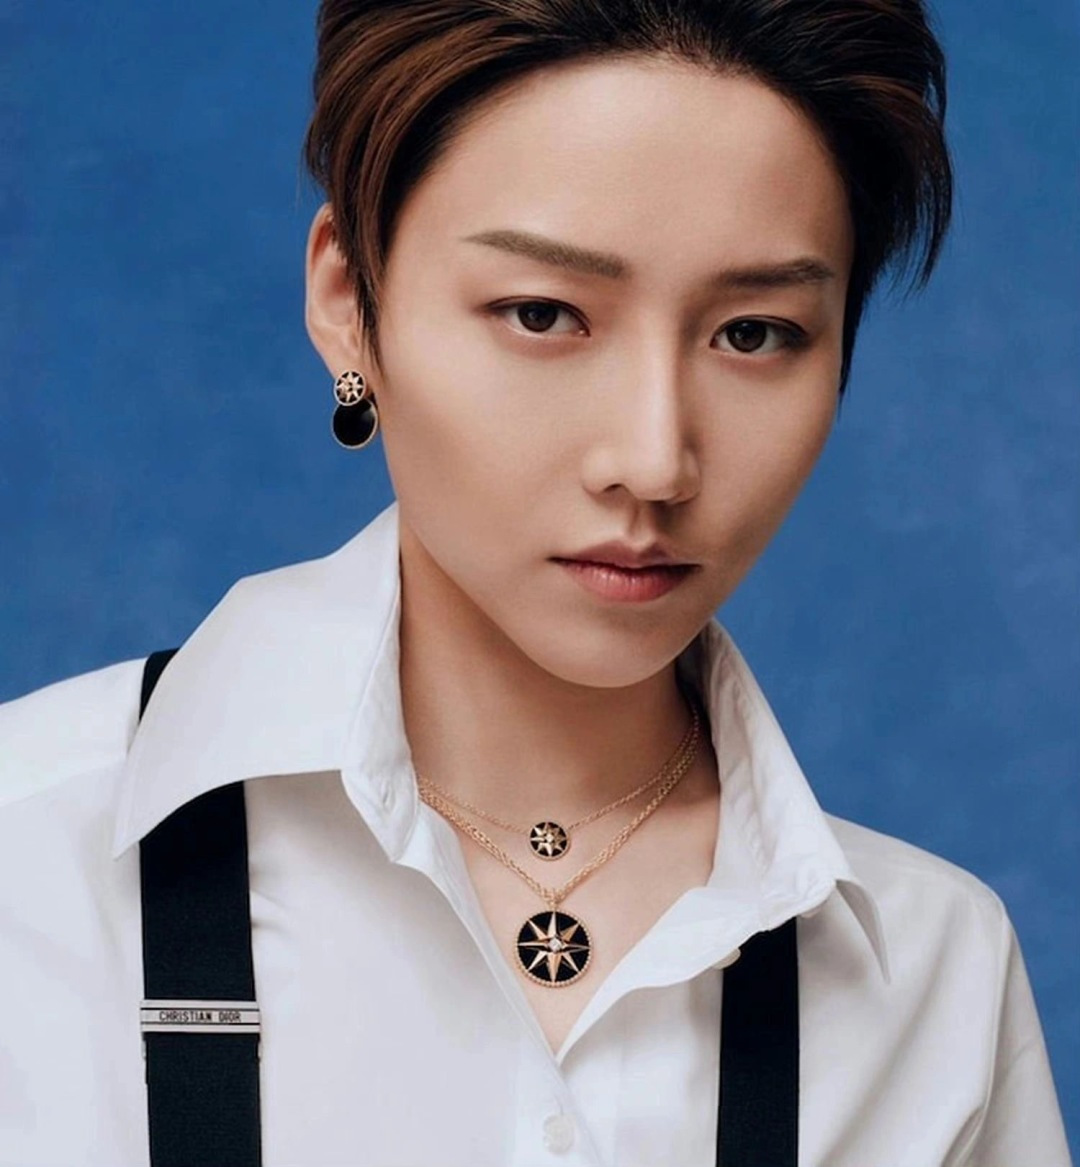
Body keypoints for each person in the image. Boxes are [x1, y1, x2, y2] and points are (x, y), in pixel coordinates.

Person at [0, 0, 1071, 1164]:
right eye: (544, 314)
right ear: (349, 303)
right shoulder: (31, 853)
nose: (654, 462)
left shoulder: (930, 974)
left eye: (754, 334)